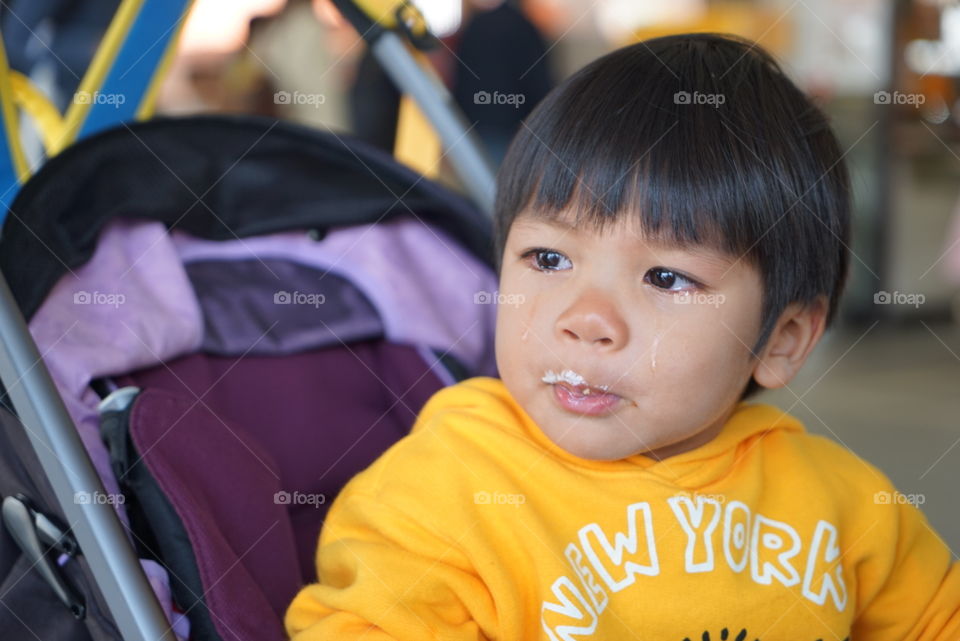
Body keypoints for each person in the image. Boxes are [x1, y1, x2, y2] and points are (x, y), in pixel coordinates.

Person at [285, 33, 960, 639]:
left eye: (666, 276)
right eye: (549, 259)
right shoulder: (445, 491)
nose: (586, 319)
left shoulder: (843, 505)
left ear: (782, 338)